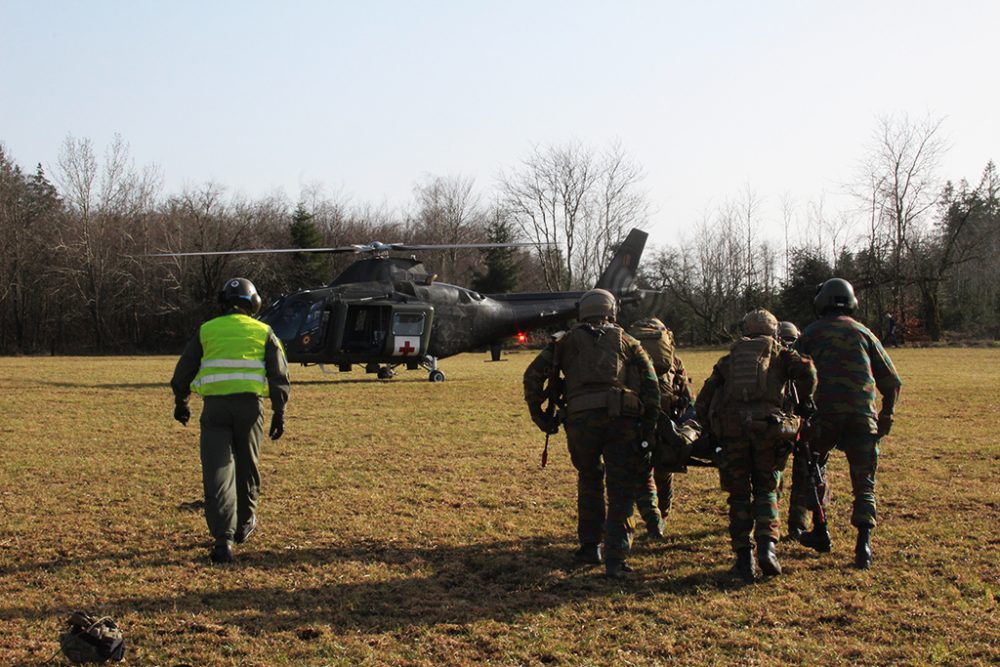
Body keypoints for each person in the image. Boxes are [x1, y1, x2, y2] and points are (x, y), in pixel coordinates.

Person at [523, 288, 660, 578]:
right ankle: (616, 558)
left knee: (589, 479)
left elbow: (532, 376)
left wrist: (541, 416)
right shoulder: (628, 341)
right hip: (621, 422)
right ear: (611, 312)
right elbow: (651, 386)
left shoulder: (564, 341)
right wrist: (648, 430)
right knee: (621, 489)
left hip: (580, 423)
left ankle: (589, 546)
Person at [171, 277, 290, 563]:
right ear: (254, 303)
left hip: (214, 409)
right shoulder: (264, 331)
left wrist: (181, 401)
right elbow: (279, 375)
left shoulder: (207, 330)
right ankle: (245, 523)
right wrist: (279, 412)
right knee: (247, 466)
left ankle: (223, 538)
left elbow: (184, 370)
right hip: (250, 408)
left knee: (218, 471)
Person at [695, 309, 816, 582]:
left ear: (745, 331)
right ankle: (767, 549)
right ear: (774, 331)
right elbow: (808, 372)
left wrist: (712, 429)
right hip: (769, 431)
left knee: (738, 496)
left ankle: (743, 559)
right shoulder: (782, 354)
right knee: (766, 490)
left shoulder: (730, 358)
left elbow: (704, 399)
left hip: (732, 433)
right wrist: (802, 403)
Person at [791, 278, 901, 569]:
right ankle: (863, 545)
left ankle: (820, 529)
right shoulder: (864, 333)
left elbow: (791, 376)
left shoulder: (810, 335)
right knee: (864, 483)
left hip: (822, 418)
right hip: (862, 418)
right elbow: (892, 381)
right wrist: (886, 415)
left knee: (812, 469)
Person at [627, 317, 693, 538]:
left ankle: (652, 518)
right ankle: (662, 515)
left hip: (637, 418)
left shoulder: (629, 355)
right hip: (668, 420)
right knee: (664, 472)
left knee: (641, 473)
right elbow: (686, 393)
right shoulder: (673, 360)